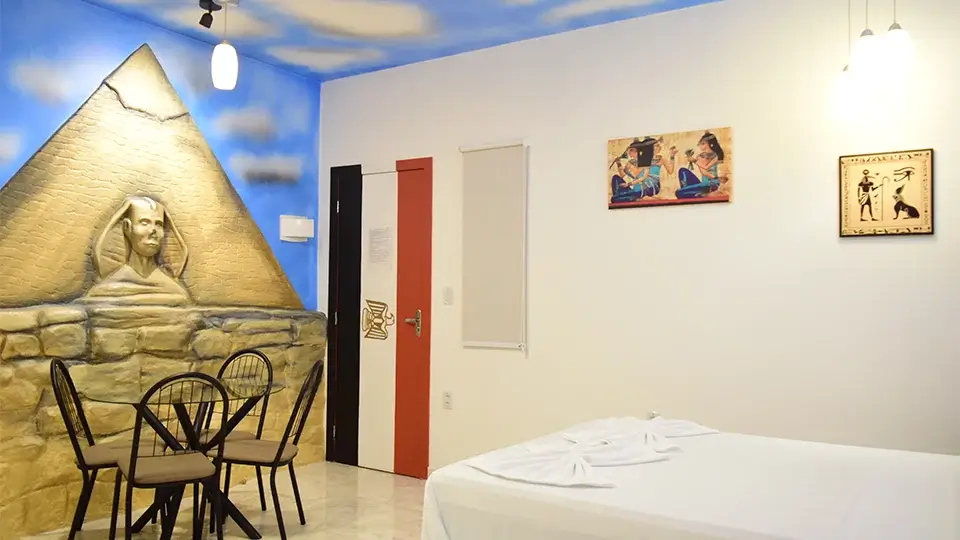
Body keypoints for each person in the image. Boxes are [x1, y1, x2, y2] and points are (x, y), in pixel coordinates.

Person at [81, 196, 192, 305]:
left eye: (159, 224)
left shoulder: (176, 292)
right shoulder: (105, 290)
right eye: (144, 223)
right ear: (127, 227)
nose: (153, 230)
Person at [676, 132, 725, 199]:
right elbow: (703, 172)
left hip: (712, 183)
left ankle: (692, 194)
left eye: (703, 143)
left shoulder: (716, 155)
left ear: (710, 144)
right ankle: (697, 194)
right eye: (700, 144)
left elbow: (706, 167)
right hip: (703, 185)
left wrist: (694, 160)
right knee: (682, 170)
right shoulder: (700, 156)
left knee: (678, 193)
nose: (701, 146)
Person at [610, 137, 656, 203]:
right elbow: (623, 176)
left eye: (631, 150)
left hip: (640, 187)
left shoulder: (644, 162)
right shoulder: (630, 162)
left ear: (637, 152)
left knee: (614, 199)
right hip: (631, 185)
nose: (629, 152)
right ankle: (623, 198)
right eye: (630, 150)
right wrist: (618, 163)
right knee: (615, 178)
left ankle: (634, 199)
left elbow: (640, 177)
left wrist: (628, 184)